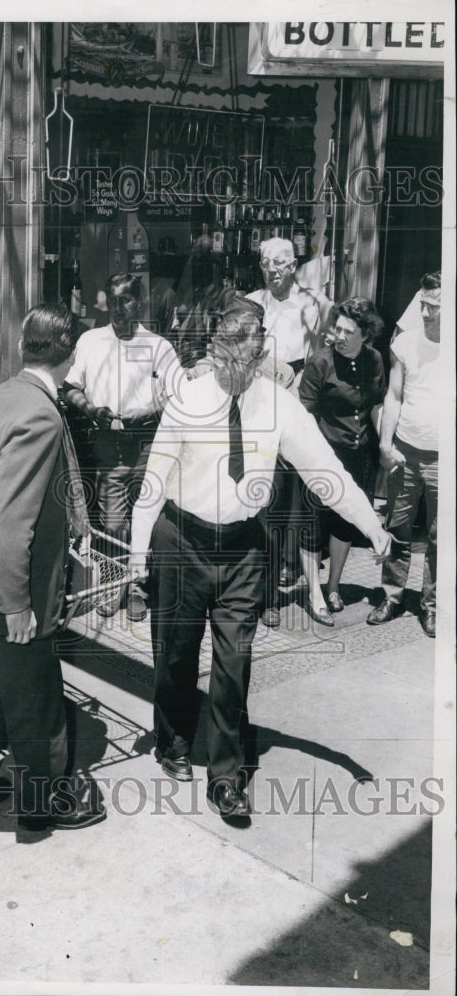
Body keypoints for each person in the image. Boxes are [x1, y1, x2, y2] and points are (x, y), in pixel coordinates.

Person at [129, 298, 391, 821]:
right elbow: (153, 483)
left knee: (234, 664)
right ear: (215, 352)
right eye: (225, 359)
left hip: (244, 549)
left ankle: (225, 779)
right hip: (180, 540)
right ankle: (174, 740)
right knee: (177, 656)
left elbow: (328, 474)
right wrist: (139, 559)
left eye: (245, 361)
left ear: (259, 356)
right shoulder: (187, 400)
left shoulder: (279, 406)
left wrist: (373, 527)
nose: (233, 372)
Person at [0, 304, 106, 832]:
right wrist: (16, 605)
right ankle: (41, 807)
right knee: (37, 701)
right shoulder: (40, 415)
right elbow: (8, 522)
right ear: (71, 358)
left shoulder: (0, 395)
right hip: (9, 593)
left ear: (20, 348)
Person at [62, 271, 179, 622]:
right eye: (112, 301)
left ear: (139, 303)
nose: (117, 308)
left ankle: (140, 589)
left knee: (146, 517)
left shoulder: (159, 347)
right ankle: (115, 585)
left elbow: (178, 397)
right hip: (106, 443)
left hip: (147, 442)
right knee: (113, 521)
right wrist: (90, 409)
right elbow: (69, 388)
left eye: (125, 300)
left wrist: (149, 411)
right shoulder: (90, 341)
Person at [246, 237, 332, 624]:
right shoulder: (252, 302)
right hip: (260, 408)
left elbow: (320, 360)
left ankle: (313, 589)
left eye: (279, 262)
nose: (272, 269)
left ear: (294, 264)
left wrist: (299, 390)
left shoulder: (313, 306)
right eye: (266, 262)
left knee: (307, 501)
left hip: (299, 406)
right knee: (267, 499)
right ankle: (265, 594)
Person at [297, 298, 387, 624]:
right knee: (313, 525)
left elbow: (376, 403)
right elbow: (302, 414)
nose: (340, 336)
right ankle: (314, 593)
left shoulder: (375, 361)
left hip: (358, 456)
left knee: (345, 525)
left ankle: (332, 586)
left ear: (366, 334)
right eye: (338, 329)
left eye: (349, 331)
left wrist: (387, 444)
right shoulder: (319, 363)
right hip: (321, 456)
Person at [367, 271, 440, 638]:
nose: (424, 312)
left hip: (445, 460)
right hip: (406, 453)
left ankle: (432, 606)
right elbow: (392, 397)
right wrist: (385, 443)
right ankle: (392, 597)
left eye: (433, 306)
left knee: (440, 534)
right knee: (397, 528)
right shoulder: (405, 344)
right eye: (422, 303)